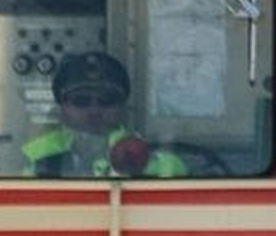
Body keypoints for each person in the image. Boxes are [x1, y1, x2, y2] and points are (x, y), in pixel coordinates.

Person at [20, 50, 188, 178]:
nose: (95, 110)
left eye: (107, 100)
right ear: (61, 110)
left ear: (123, 109)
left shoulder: (160, 163)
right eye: (81, 100)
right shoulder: (36, 160)